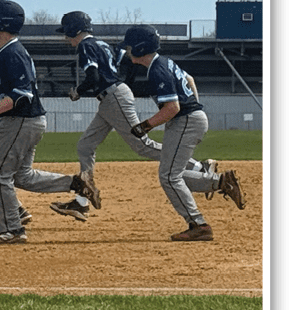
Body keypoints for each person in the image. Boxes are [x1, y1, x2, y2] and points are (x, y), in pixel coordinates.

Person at [49, 11, 212, 222]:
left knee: (142, 145)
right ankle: (82, 202)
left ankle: (198, 167)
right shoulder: (102, 45)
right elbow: (122, 63)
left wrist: (78, 91)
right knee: (85, 145)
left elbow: (94, 76)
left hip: (113, 96)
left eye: (67, 33)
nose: (66, 38)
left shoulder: (85, 46)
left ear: (75, 31)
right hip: (111, 98)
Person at [0, 0, 100, 244]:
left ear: (4, 22)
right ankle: (76, 183)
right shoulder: (4, 51)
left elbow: (22, 94)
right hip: (20, 121)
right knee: (22, 176)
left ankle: (13, 229)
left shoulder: (13, 52)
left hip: (21, 120)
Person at [120, 24, 244, 241]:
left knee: (169, 176)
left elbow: (173, 108)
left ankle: (199, 224)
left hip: (185, 121)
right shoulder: (164, 62)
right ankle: (221, 182)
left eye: (130, 47)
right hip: (189, 120)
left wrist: (144, 126)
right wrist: (194, 106)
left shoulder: (157, 70)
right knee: (171, 174)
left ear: (140, 48)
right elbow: (190, 80)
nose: (127, 51)